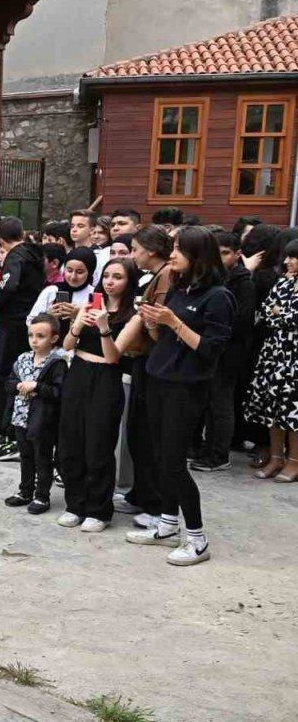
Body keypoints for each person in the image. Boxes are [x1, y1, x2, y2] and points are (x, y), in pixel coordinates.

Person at [117, 226, 234, 566]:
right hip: (159, 378)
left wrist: (172, 321)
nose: (172, 255)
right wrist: (152, 320)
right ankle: (168, 523)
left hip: (186, 388)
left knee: (173, 463)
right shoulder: (180, 288)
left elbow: (210, 349)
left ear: (198, 255)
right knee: (158, 456)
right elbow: (163, 336)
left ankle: (197, 538)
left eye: (179, 249)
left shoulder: (218, 297)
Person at [56, 257, 137, 531]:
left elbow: (114, 357)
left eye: (118, 277)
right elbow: (67, 345)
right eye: (107, 276)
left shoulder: (132, 315)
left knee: (99, 445)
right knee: (70, 442)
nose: (110, 282)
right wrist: (78, 322)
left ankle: (99, 509)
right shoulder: (89, 305)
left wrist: (104, 327)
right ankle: (74, 503)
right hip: (77, 371)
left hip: (106, 378)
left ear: (129, 282)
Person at [121, 225, 174, 521]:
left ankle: (155, 502)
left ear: (151, 251)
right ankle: (140, 493)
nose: (133, 255)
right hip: (143, 358)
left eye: (135, 250)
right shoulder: (155, 275)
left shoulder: (164, 276)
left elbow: (159, 327)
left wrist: (145, 316)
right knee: (136, 432)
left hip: (152, 360)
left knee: (146, 435)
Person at [191, 230, 255, 472]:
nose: (220, 258)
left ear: (238, 254)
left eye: (225, 253)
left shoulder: (243, 282)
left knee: (220, 404)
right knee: (207, 402)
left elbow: (241, 321)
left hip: (228, 353)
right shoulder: (213, 278)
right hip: (209, 349)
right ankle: (204, 447)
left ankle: (218, 454)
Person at [0, 218, 45, 460]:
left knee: (0, 372)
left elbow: (8, 286)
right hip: (25, 323)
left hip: (10, 324)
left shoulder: (16, 256)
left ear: (1, 241)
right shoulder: (35, 254)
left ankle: (8, 430)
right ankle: (10, 428)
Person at [244, 238, 298, 481]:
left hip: (294, 357)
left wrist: (282, 314)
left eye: (293, 257)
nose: (287, 262)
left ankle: (294, 461)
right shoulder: (283, 284)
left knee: (293, 412)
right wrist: (282, 315)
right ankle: (276, 457)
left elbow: (290, 319)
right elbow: (267, 311)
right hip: (274, 353)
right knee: (272, 408)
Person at [4, 314, 68, 515]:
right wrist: (19, 386)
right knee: (25, 456)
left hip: (42, 419)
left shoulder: (56, 363)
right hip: (20, 416)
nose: (34, 340)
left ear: (54, 338)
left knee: (42, 457)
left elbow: (59, 391)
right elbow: (9, 383)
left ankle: (42, 496)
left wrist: (38, 387)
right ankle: (25, 491)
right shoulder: (22, 359)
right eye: (31, 335)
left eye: (40, 336)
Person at [28, 247, 96, 329]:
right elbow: (30, 322)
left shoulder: (94, 294)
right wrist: (47, 317)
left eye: (79, 272)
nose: (73, 277)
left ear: (90, 272)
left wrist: (80, 314)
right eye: (69, 270)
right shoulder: (52, 291)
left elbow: (98, 326)